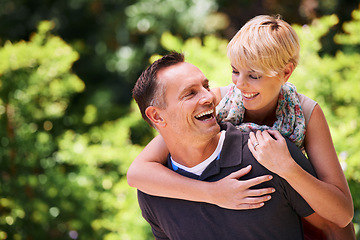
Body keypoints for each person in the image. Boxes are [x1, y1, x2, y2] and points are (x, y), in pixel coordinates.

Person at [127, 15, 354, 237]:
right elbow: (141, 170)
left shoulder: (305, 113)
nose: (241, 84)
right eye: (235, 71)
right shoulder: (218, 101)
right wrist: (214, 193)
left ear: (286, 73)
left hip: (302, 212)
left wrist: (286, 167)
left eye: (254, 75)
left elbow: (341, 216)